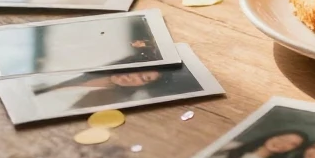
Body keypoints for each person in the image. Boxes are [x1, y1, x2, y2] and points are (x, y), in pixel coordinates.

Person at [30, 66, 204, 112]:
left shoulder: (111, 102)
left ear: (143, 86)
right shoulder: (91, 67)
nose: (132, 75)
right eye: (137, 69)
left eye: (144, 78)